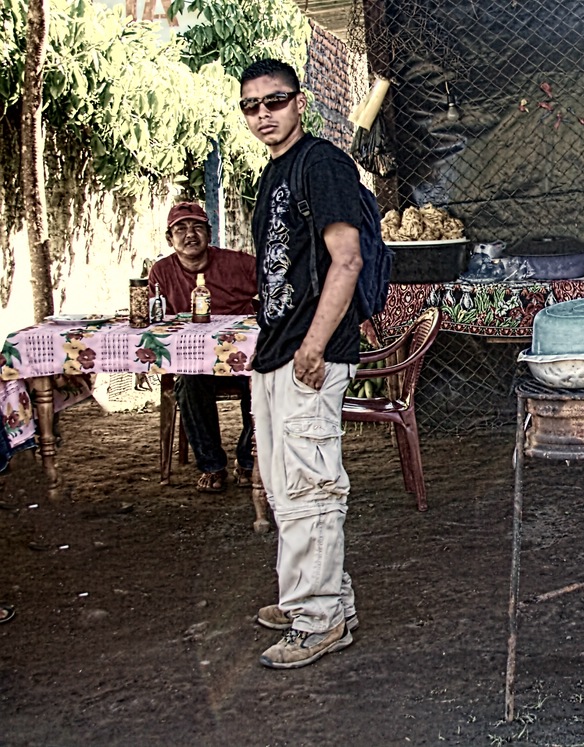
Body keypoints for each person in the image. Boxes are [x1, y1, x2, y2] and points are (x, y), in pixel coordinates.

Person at [240, 58, 362, 669]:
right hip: (278, 349)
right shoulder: (273, 174)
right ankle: (323, 600)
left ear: (300, 102)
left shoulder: (322, 164)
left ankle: (316, 620)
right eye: (252, 106)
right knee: (289, 486)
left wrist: (313, 346)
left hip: (308, 353)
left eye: (276, 101)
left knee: (310, 487)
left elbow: (347, 259)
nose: (264, 114)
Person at [148, 202, 257, 493]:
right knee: (188, 382)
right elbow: (155, 321)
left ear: (209, 234)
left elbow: (275, 293)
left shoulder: (240, 264)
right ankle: (212, 465)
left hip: (244, 356)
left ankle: (248, 461)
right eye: (180, 229)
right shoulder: (161, 272)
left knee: (265, 381)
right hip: (194, 359)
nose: (189, 235)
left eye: (197, 227)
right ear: (169, 238)